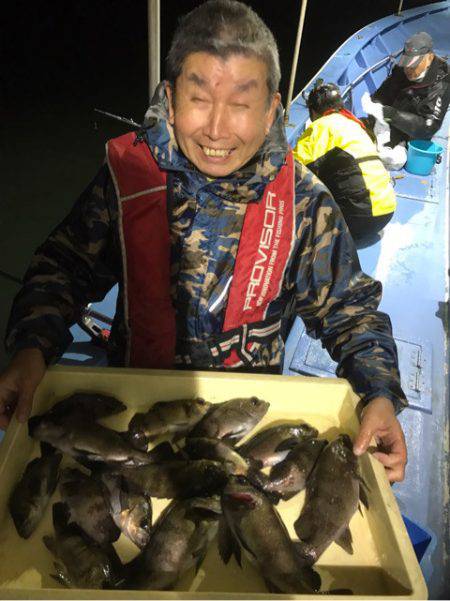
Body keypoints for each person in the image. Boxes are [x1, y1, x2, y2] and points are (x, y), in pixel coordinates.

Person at [0, 0, 407, 482]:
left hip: (239, 429)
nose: (216, 129)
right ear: (169, 100)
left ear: (273, 109)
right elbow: (63, 267)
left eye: (240, 104)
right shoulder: (128, 180)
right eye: (198, 100)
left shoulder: (304, 204)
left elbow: (348, 310)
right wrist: (31, 347)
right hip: (135, 418)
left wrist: (379, 393)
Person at [294, 80, 396, 241]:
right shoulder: (355, 124)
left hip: (358, 219)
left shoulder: (321, 126)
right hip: (386, 212)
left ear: (313, 112)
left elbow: (294, 167)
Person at [362, 31, 450, 170]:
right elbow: (382, 95)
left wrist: (392, 115)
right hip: (389, 120)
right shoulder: (401, 70)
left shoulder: (442, 82)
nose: (408, 69)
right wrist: (374, 108)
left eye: (414, 64)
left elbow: (429, 126)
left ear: (429, 58)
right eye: (406, 63)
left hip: (412, 130)